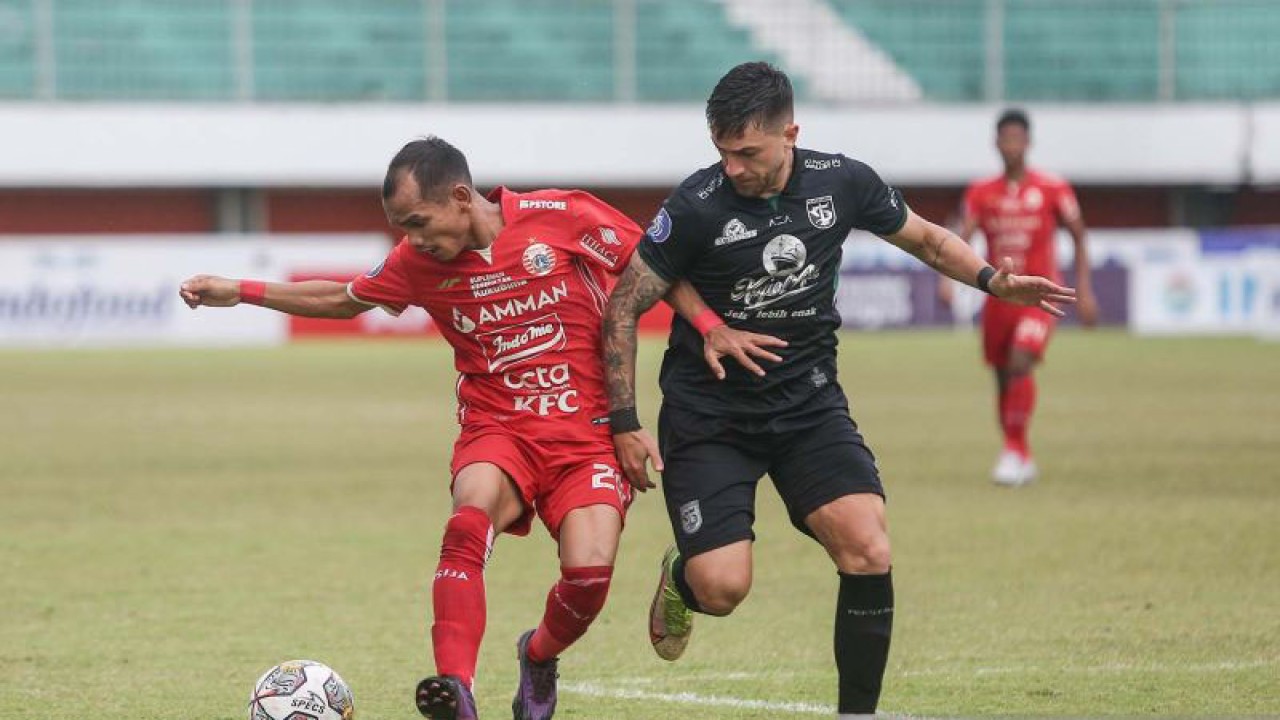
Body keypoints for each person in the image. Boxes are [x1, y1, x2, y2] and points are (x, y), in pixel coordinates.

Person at [179, 137, 760, 720]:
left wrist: (709, 324)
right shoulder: (417, 264)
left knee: (588, 577)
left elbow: (653, 267)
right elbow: (341, 297)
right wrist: (240, 291)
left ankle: (537, 655)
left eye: (417, 222)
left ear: (460, 197)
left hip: (586, 436)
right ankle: (456, 690)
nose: (412, 240)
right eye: (401, 228)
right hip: (498, 429)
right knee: (468, 519)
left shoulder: (563, 216)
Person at [600, 62, 1076, 717]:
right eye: (722, 152)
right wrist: (624, 420)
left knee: (868, 545)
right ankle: (681, 576)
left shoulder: (842, 181)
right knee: (722, 587)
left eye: (748, 152)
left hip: (808, 409)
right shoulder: (696, 204)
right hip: (710, 416)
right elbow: (624, 303)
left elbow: (930, 241)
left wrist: (994, 280)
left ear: (790, 132)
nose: (733, 167)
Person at [940, 108, 1098, 486]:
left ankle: (1013, 453)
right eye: (1005, 139)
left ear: (1028, 143)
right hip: (1000, 296)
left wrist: (1086, 289)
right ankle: (1019, 451)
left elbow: (1078, 234)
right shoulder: (981, 192)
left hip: (1039, 295)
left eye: (1017, 138)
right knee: (1001, 377)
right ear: (997, 144)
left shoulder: (1053, 189)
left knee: (1020, 362)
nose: (1011, 145)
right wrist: (949, 280)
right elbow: (963, 237)